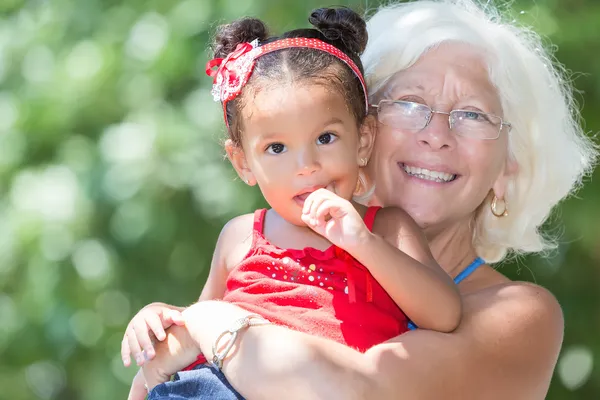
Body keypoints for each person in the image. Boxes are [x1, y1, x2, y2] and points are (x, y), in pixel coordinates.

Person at [127, 0, 598, 399]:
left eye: (473, 114)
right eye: (410, 103)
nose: (436, 136)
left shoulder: (518, 314)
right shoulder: (249, 237)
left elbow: (359, 390)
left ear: (511, 163)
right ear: (365, 130)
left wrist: (213, 325)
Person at [122, 6, 464, 399]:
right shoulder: (239, 237)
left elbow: (445, 315)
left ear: (363, 140)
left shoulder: (385, 229)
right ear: (243, 162)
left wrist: (364, 245)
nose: (306, 166)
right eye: (277, 147)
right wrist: (162, 319)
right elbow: (201, 325)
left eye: (325, 138)